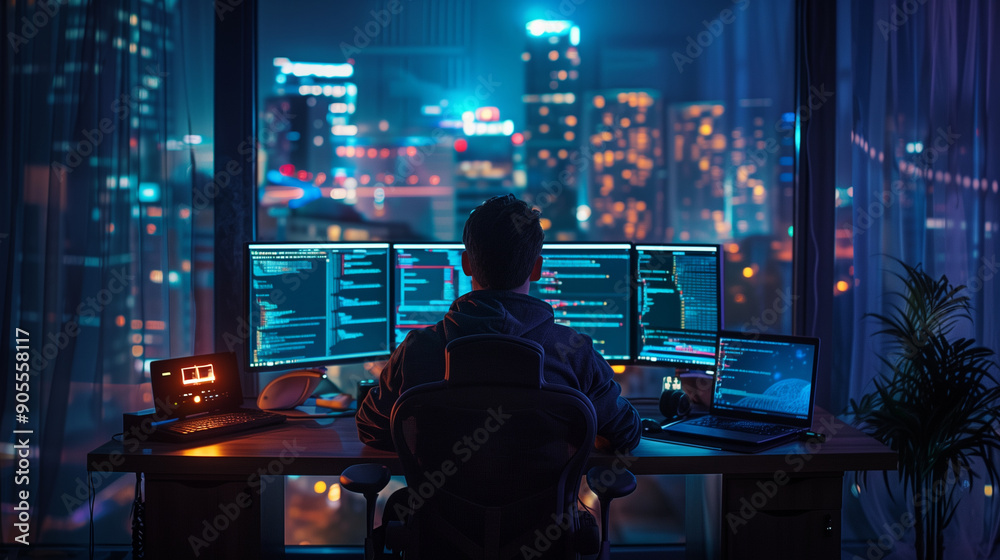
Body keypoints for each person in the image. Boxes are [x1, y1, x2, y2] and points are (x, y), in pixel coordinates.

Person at [356, 193, 642, 452]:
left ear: (466, 264)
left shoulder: (417, 351)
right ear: (537, 269)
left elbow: (371, 429)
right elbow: (625, 434)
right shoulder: (574, 354)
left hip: (442, 511)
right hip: (547, 512)